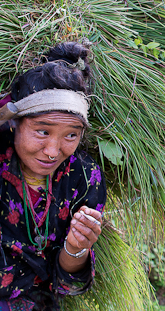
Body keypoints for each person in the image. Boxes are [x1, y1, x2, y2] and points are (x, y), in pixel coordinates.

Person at [0, 42, 106, 310]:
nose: (52, 151)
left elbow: (67, 284)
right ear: (15, 123)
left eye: (71, 135)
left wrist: (77, 247)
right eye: (42, 132)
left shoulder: (83, 175)